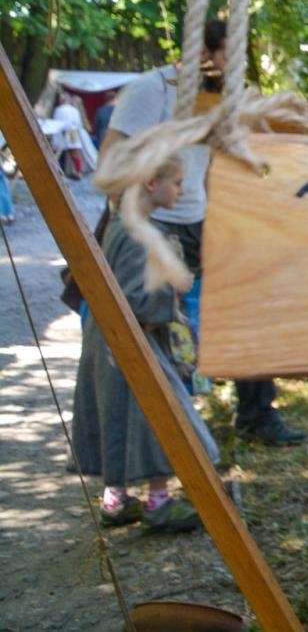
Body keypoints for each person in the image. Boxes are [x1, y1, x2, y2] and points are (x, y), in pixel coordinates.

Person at [103, 19, 307, 445]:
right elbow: (111, 159)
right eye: (228, 57)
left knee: (248, 304)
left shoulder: (217, 99)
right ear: (201, 53)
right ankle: (164, 429)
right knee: (162, 326)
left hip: (201, 220)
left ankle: (256, 414)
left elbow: (214, 164)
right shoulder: (150, 90)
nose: (236, 68)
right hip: (155, 225)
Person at [72, 155, 219, 531]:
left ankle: (116, 499)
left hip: (112, 341)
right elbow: (136, 300)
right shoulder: (140, 234)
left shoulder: (125, 224)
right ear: (152, 183)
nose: (182, 190)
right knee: (158, 418)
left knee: (118, 417)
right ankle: (159, 502)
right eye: (177, 182)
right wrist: (173, 287)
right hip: (134, 343)